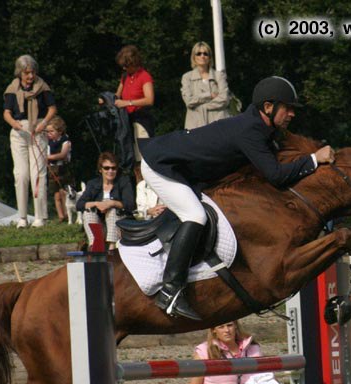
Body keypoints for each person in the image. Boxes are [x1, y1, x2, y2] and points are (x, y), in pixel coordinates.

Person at [139, 76, 335, 320]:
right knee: (196, 215)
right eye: (288, 108)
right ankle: (170, 291)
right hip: (161, 165)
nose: (292, 114)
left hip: (182, 167)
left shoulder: (262, 129)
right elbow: (275, 175)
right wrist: (314, 159)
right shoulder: (250, 131)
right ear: (268, 107)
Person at [3, 54, 57, 228]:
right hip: (19, 131)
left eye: (32, 72)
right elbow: (6, 113)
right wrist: (14, 124)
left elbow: (52, 108)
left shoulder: (42, 87)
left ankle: (40, 217)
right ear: (20, 73)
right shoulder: (12, 88)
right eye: (27, 73)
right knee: (21, 175)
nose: (30, 76)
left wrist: (44, 123)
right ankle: (22, 217)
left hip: (38, 129)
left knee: (38, 174)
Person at [188, 321, 279, 384]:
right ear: (213, 330)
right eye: (221, 327)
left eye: (229, 325)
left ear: (235, 326)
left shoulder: (253, 349)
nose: (227, 330)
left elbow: (269, 381)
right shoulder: (204, 351)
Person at [76, 152, 135, 250]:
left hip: (119, 223)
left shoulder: (123, 182)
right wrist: (97, 204)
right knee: (88, 212)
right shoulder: (93, 184)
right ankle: (95, 245)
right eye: (106, 168)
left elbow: (130, 205)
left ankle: (112, 247)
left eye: (113, 168)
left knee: (113, 211)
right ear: (100, 169)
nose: (110, 171)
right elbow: (79, 204)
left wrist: (112, 203)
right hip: (101, 224)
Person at [114, 45, 155, 164]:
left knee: (143, 156)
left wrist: (128, 103)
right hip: (127, 120)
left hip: (141, 119)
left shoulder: (144, 76)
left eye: (126, 65)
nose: (124, 68)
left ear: (134, 63)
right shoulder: (125, 76)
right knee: (131, 157)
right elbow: (117, 95)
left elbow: (149, 100)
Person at [181, 41, 230, 129]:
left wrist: (201, 107)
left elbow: (224, 99)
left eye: (205, 53)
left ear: (210, 57)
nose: (202, 56)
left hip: (218, 123)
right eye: (199, 53)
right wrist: (209, 95)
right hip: (195, 125)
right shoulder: (187, 77)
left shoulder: (219, 76)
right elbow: (189, 101)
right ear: (193, 57)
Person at [45, 116, 73, 223]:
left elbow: (63, 155)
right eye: (47, 131)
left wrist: (48, 157)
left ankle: (67, 213)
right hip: (52, 169)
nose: (49, 134)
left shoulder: (65, 141)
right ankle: (61, 216)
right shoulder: (48, 143)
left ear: (60, 131)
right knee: (56, 194)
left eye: (51, 131)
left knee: (63, 192)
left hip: (63, 168)